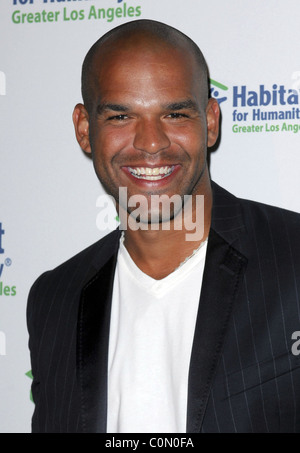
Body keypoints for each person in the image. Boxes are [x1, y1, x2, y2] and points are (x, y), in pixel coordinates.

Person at [27, 19, 300, 433]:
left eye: (174, 113)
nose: (151, 142)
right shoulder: (54, 299)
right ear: (85, 129)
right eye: (120, 116)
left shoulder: (294, 259)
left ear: (210, 121)